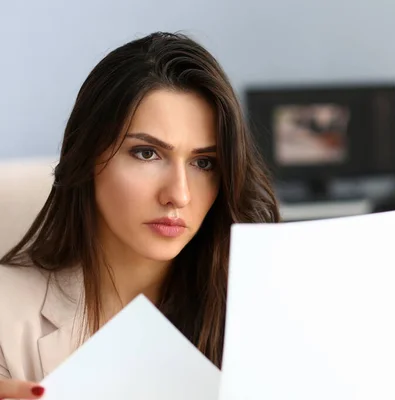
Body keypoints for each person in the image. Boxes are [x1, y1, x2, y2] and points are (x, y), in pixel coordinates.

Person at [0, 31, 279, 399]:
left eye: (203, 162)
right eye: (147, 153)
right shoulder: (6, 312)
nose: (178, 194)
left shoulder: (262, 314)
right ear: (87, 157)